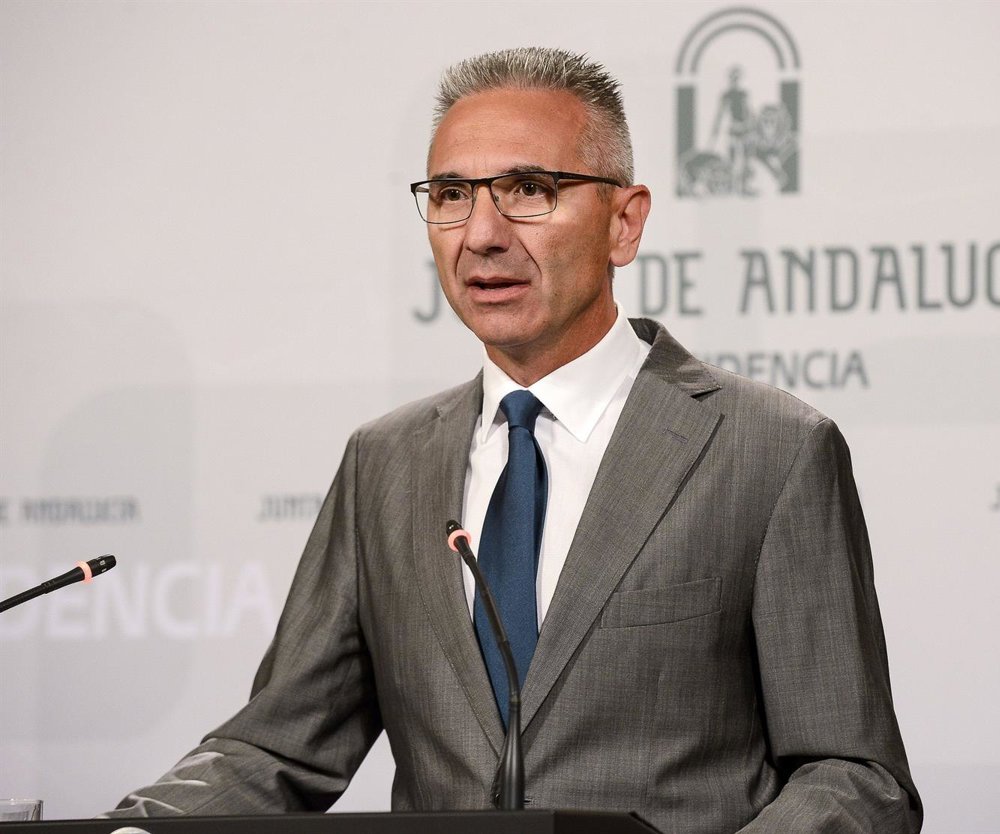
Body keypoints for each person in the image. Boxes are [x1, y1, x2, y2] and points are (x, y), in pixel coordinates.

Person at [104, 47, 922, 833]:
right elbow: (276, 749)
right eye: (451, 194)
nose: (482, 234)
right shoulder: (384, 463)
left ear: (624, 222)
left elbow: (854, 778)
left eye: (529, 189)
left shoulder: (768, 450)